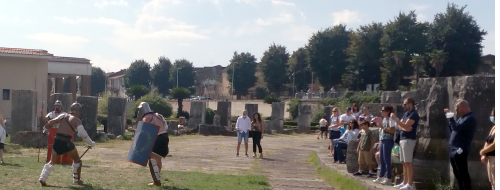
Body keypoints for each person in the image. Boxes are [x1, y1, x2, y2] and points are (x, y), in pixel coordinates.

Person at [38, 102, 96, 186]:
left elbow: (51, 122)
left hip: (57, 140)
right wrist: (91, 142)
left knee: (51, 161)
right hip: (66, 142)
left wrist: (45, 130)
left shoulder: (63, 115)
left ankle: (42, 178)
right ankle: (76, 180)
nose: (80, 113)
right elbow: (83, 134)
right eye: (79, 111)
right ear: (77, 111)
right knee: (77, 160)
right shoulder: (77, 120)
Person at [443, 100, 477, 190]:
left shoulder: (470, 118)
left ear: (464, 107)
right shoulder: (462, 118)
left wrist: (451, 117)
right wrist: (450, 120)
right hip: (453, 149)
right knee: (457, 174)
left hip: (460, 150)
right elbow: (453, 130)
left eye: (457, 108)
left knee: (463, 174)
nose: (456, 111)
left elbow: (456, 128)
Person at [135, 102, 170, 186]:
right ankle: (156, 179)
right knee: (158, 159)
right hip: (165, 137)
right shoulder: (159, 115)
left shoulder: (146, 117)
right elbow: (165, 127)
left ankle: (156, 181)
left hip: (157, 138)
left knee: (152, 160)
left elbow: (143, 131)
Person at [391, 97, 419, 190]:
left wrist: (396, 120)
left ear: (410, 104)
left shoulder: (413, 114)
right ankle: (405, 182)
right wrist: (403, 127)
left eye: (405, 104)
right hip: (402, 139)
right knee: (403, 162)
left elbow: (406, 124)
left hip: (409, 139)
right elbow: (400, 126)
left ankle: (409, 184)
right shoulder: (406, 114)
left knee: (408, 162)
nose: (404, 106)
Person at [374, 106, 397, 185]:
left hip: (388, 140)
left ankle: (388, 177)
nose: (382, 112)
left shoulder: (391, 119)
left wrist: (382, 127)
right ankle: (381, 176)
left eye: (383, 110)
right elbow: (381, 131)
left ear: (387, 111)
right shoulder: (383, 119)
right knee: (381, 159)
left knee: (387, 159)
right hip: (382, 140)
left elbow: (392, 130)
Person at [480, 108, 495, 190]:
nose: (491, 117)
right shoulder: (494, 128)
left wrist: (482, 151)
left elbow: (495, 144)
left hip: (495, 158)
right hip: (489, 158)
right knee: (492, 182)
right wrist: (484, 154)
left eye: (493, 115)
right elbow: (487, 141)